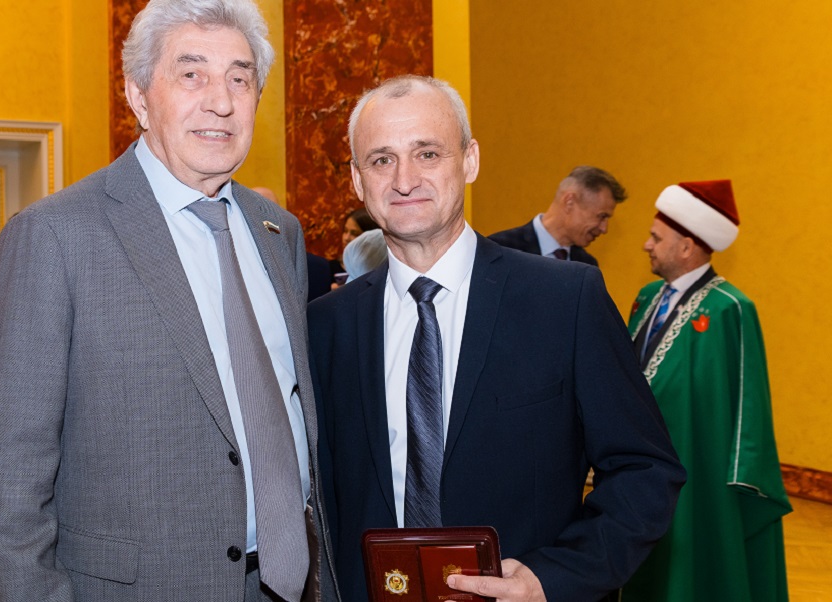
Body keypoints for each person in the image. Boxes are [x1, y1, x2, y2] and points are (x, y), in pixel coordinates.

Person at [0, 1, 337, 600]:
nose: (221, 101)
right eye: (191, 74)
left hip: (287, 581)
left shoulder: (278, 232)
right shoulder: (55, 235)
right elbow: (5, 475)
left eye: (240, 79)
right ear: (138, 96)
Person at [308, 75, 685, 602]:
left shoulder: (565, 300)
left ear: (470, 160)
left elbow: (644, 469)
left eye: (428, 153)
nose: (405, 179)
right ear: (356, 180)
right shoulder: (325, 325)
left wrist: (553, 577)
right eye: (381, 160)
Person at [623, 180, 791, 601]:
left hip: (699, 471)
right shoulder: (646, 297)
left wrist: (743, 477)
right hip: (641, 467)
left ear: (686, 247)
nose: (646, 245)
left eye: (656, 238)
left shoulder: (730, 308)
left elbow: (749, 403)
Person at [490, 165, 626, 266]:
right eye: (602, 216)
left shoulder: (587, 265)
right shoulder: (500, 249)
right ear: (569, 202)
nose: (604, 229)